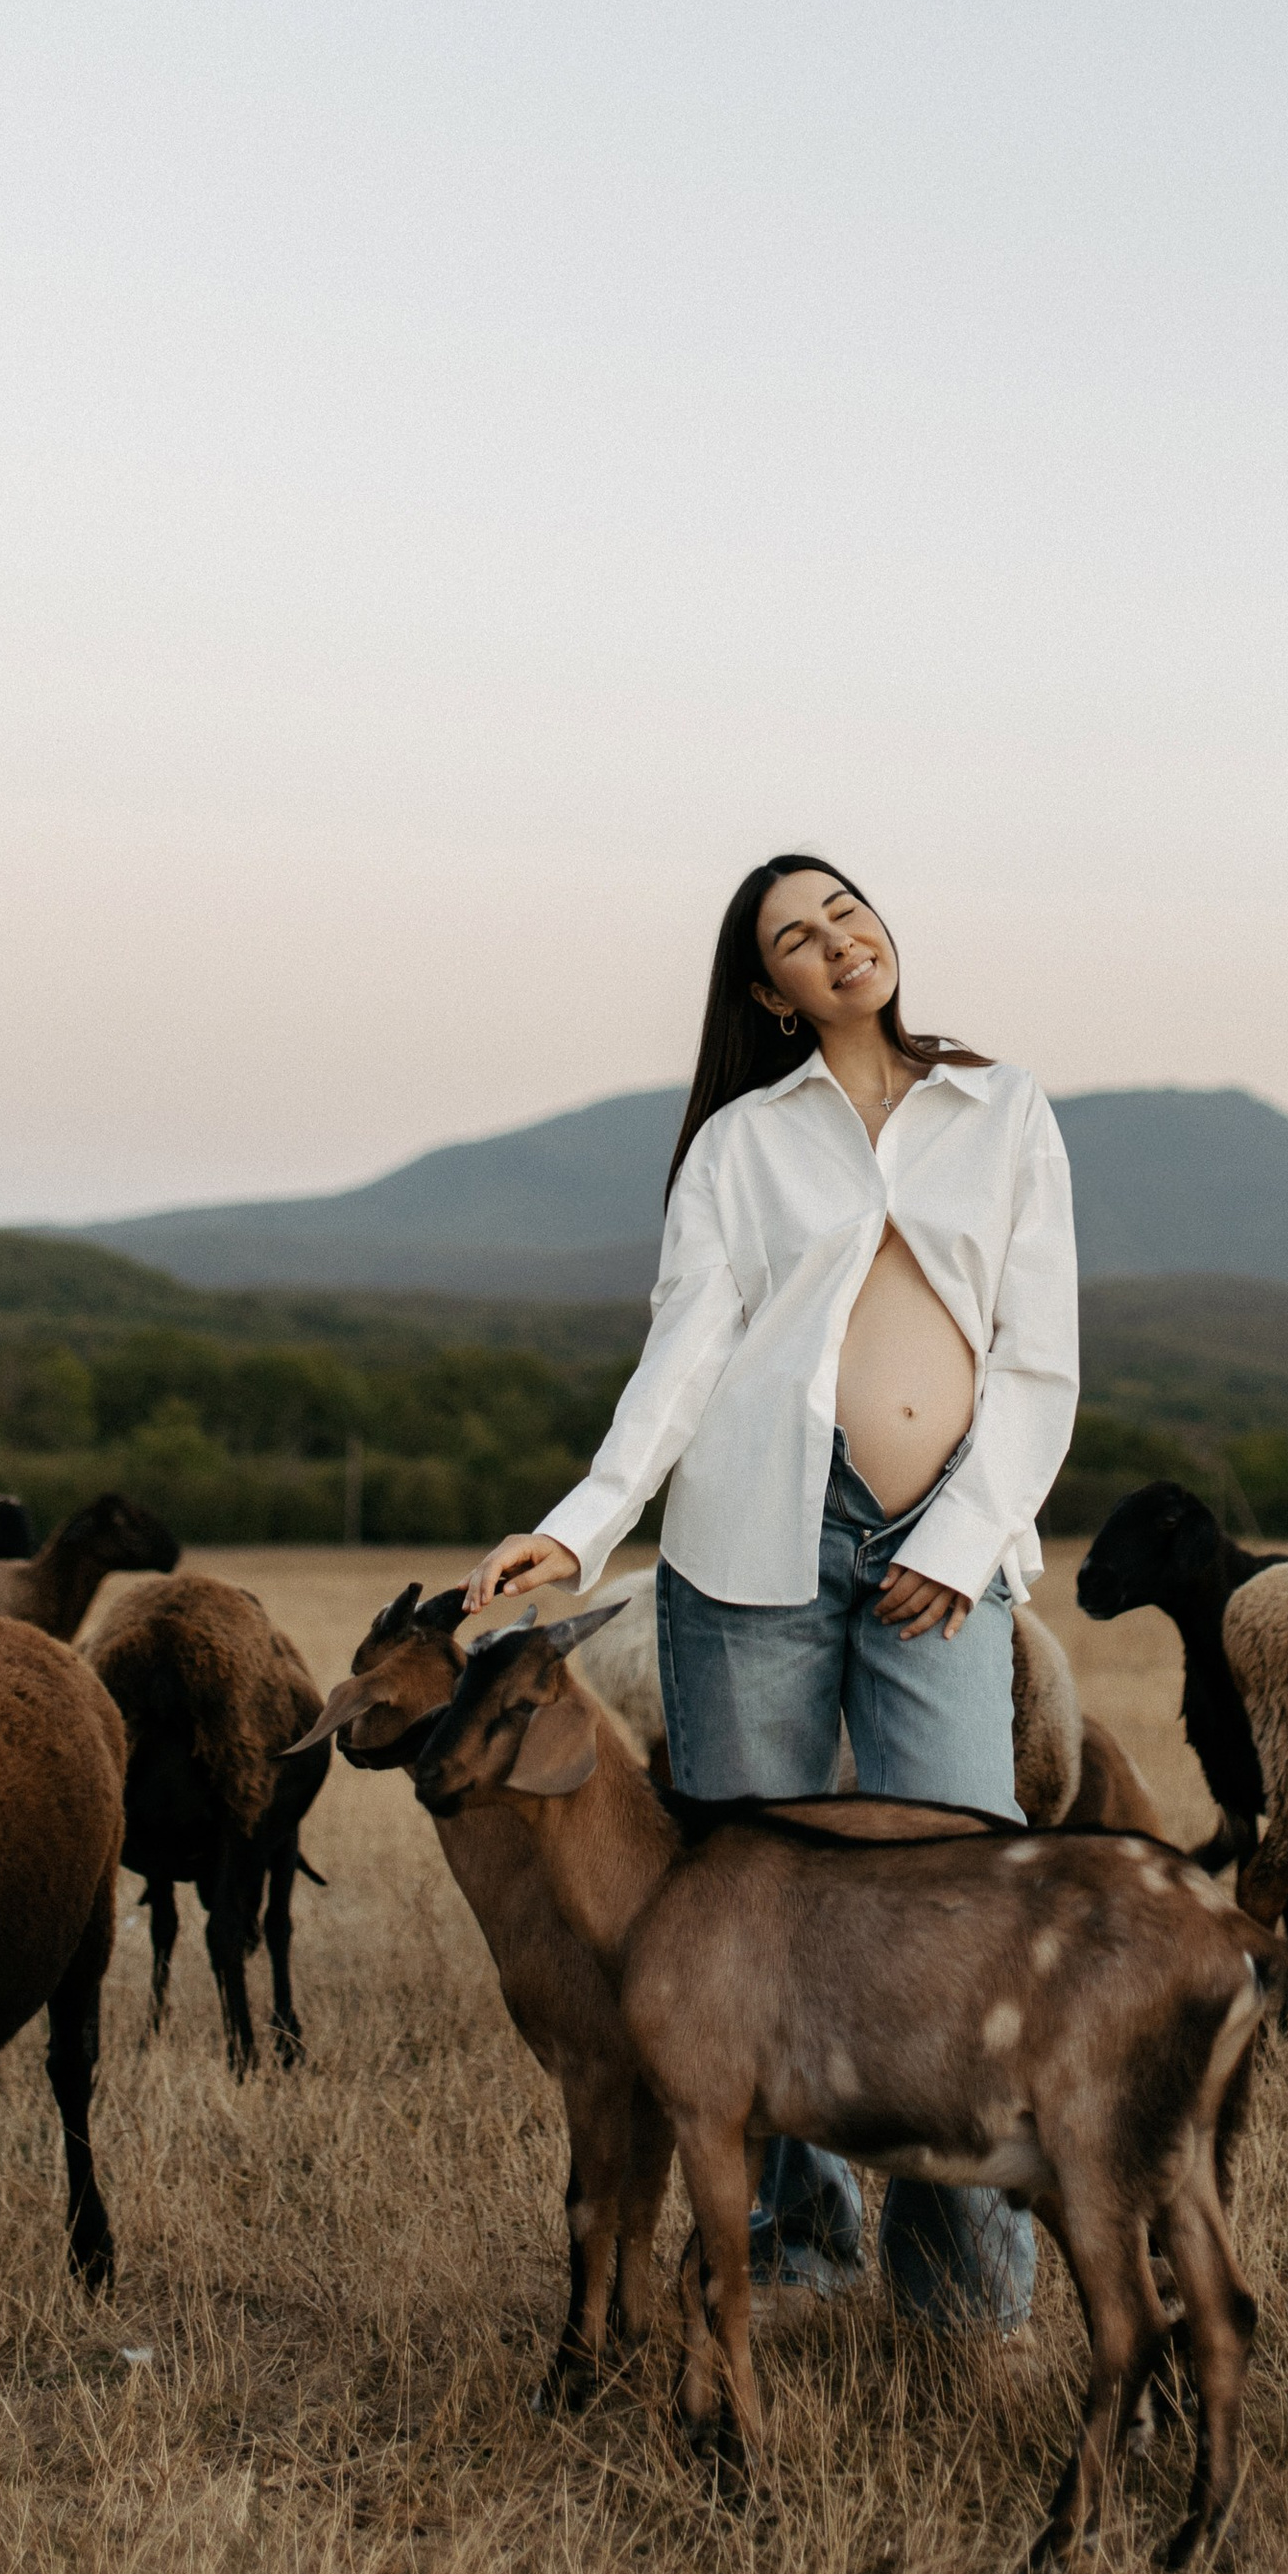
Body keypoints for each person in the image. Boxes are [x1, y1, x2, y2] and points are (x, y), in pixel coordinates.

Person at [465, 852, 1078, 2329]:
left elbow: (1039, 1357)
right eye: (798, 938)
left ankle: (961, 2292)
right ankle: (795, 2250)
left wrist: (960, 1536)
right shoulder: (740, 1145)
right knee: (751, 1912)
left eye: (846, 910)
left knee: (959, 1907)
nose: (837, 940)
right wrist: (582, 1527)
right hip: (753, 1551)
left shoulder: (1000, 1108)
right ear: (770, 992)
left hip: (938, 1551)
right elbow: (684, 1355)